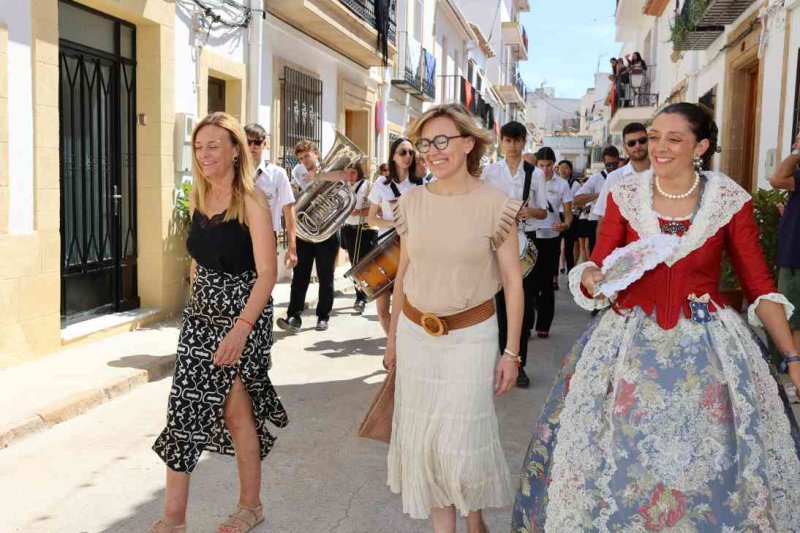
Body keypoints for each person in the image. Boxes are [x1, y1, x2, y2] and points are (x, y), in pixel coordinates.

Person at [512, 103, 800, 531]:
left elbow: (759, 284)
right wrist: (594, 276)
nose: (659, 147)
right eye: (655, 136)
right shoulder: (626, 194)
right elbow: (601, 264)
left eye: (674, 139)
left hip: (711, 348)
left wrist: (792, 359)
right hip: (627, 342)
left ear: (700, 146)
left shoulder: (727, 199)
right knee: (617, 452)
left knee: (713, 460)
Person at [384, 103, 523, 533]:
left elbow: (513, 283)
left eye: (443, 140)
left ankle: (474, 519)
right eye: (425, 143)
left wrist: (512, 353)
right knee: (426, 444)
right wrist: (391, 340)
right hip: (415, 334)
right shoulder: (410, 204)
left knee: (459, 444)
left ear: (468, 144)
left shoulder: (497, 205)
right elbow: (402, 275)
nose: (432, 151)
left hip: (472, 337)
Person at [150, 112, 289, 533]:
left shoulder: (253, 200)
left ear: (235, 151)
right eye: (199, 146)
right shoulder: (197, 193)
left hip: (243, 314)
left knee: (236, 411)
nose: (205, 153)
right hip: (201, 314)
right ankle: (174, 519)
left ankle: (251, 506)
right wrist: (197, 276)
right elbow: (199, 248)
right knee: (184, 408)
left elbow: (268, 272)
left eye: (214, 145)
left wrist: (241, 328)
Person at [484, 120, 548, 388]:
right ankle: (503, 358)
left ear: (524, 142)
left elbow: (544, 211)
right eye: (507, 141)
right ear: (501, 143)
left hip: (525, 243)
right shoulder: (490, 172)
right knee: (500, 306)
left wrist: (528, 212)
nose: (512, 146)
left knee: (521, 305)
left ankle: (519, 363)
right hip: (497, 243)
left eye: (517, 140)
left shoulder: (535, 174)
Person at [276, 140, 355, 333]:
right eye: (301, 158)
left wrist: (320, 176)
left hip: (326, 233)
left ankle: (323, 316)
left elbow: (347, 176)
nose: (304, 161)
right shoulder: (298, 174)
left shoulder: (330, 169)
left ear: (316, 154)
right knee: (300, 276)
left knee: (325, 276)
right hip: (305, 232)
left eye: (307, 156)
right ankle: (293, 316)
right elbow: (293, 199)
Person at [367, 137, 421, 334]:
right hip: (385, 248)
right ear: (393, 156)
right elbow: (371, 220)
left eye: (410, 152)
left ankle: (402, 350)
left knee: (408, 306)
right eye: (402, 152)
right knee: (382, 309)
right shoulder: (381, 183)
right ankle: (393, 345)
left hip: (412, 250)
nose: (407, 156)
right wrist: (396, 223)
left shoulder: (420, 185)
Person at [531, 147, 573, 338]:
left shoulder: (562, 185)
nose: (545, 169)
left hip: (551, 238)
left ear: (554, 165)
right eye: (541, 165)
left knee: (547, 283)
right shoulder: (529, 181)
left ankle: (544, 325)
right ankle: (526, 322)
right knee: (530, 283)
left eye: (549, 165)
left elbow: (569, 214)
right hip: (531, 237)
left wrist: (564, 225)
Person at [245, 123, 298, 270]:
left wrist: (292, 246)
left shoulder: (277, 173)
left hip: (267, 235)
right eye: (248, 142)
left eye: (257, 142)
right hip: (238, 234)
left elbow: (288, 208)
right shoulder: (234, 172)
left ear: (264, 144)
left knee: (265, 280)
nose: (252, 146)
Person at [769, 131, 800, 358]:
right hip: (791, 257)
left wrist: (797, 152)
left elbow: (776, 179)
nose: (795, 142)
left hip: (796, 261)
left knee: (795, 321)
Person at [593, 122, 651, 227]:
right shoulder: (614, 178)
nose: (637, 146)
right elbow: (603, 217)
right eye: (631, 143)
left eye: (642, 141)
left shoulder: (663, 174)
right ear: (625, 147)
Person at [340, 163, 377, 315]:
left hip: (364, 229)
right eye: (347, 173)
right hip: (348, 229)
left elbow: (376, 207)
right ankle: (360, 296)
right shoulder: (343, 186)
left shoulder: (367, 185)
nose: (350, 176)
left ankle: (363, 295)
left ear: (359, 172)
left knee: (363, 265)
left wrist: (359, 212)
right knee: (354, 264)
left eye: (353, 172)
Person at [574, 145, 620, 254]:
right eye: (609, 165)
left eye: (615, 164)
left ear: (618, 161)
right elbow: (576, 200)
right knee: (596, 253)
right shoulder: (596, 178)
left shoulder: (622, 175)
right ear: (603, 163)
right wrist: (600, 195)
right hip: (596, 221)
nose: (612, 167)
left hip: (617, 221)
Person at [557, 160, 581, 273]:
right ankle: (555, 274)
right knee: (556, 245)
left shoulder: (575, 184)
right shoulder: (554, 182)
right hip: (557, 215)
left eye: (566, 168)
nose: (563, 170)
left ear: (570, 170)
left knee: (569, 246)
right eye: (561, 167)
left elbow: (575, 200)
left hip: (570, 216)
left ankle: (570, 271)